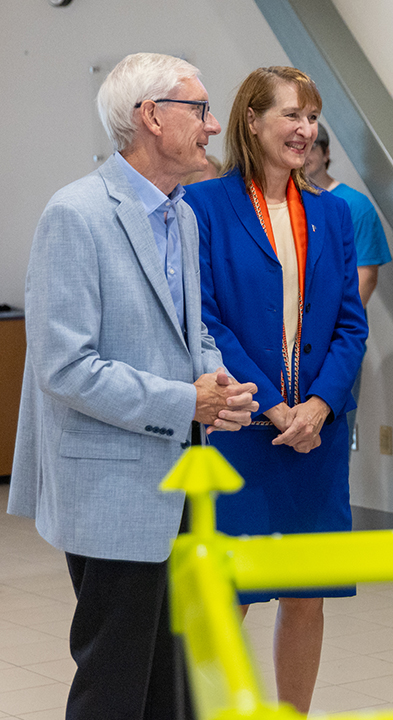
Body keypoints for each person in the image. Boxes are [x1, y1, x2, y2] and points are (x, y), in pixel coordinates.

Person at [8, 52, 258, 719]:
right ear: (151, 117)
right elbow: (66, 366)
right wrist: (186, 403)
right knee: (114, 682)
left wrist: (217, 379)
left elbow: (188, 332)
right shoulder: (77, 215)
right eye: (200, 109)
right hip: (110, 487)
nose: (211, 125)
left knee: (172, 685)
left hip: (180, 480)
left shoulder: (184, 215)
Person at [185, 66, 368, 714]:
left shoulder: (331, 213)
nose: (305, 129)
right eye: (291, 114)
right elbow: (205, 318)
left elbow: (350, 320)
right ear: (252, 120)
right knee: (229, 589)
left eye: (311, 117)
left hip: (316, 433)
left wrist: (319, 405)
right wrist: (272, 402)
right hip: (242, 427)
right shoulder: (203, 207)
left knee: (305, 591)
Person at [305, 123, 392, 306]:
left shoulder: (355, 205)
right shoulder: (284, 203)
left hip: (336, 327)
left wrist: (341, 326)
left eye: (311, 146)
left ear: (326, 152)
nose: (304, 153)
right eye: (297, 146)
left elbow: (366, 275)